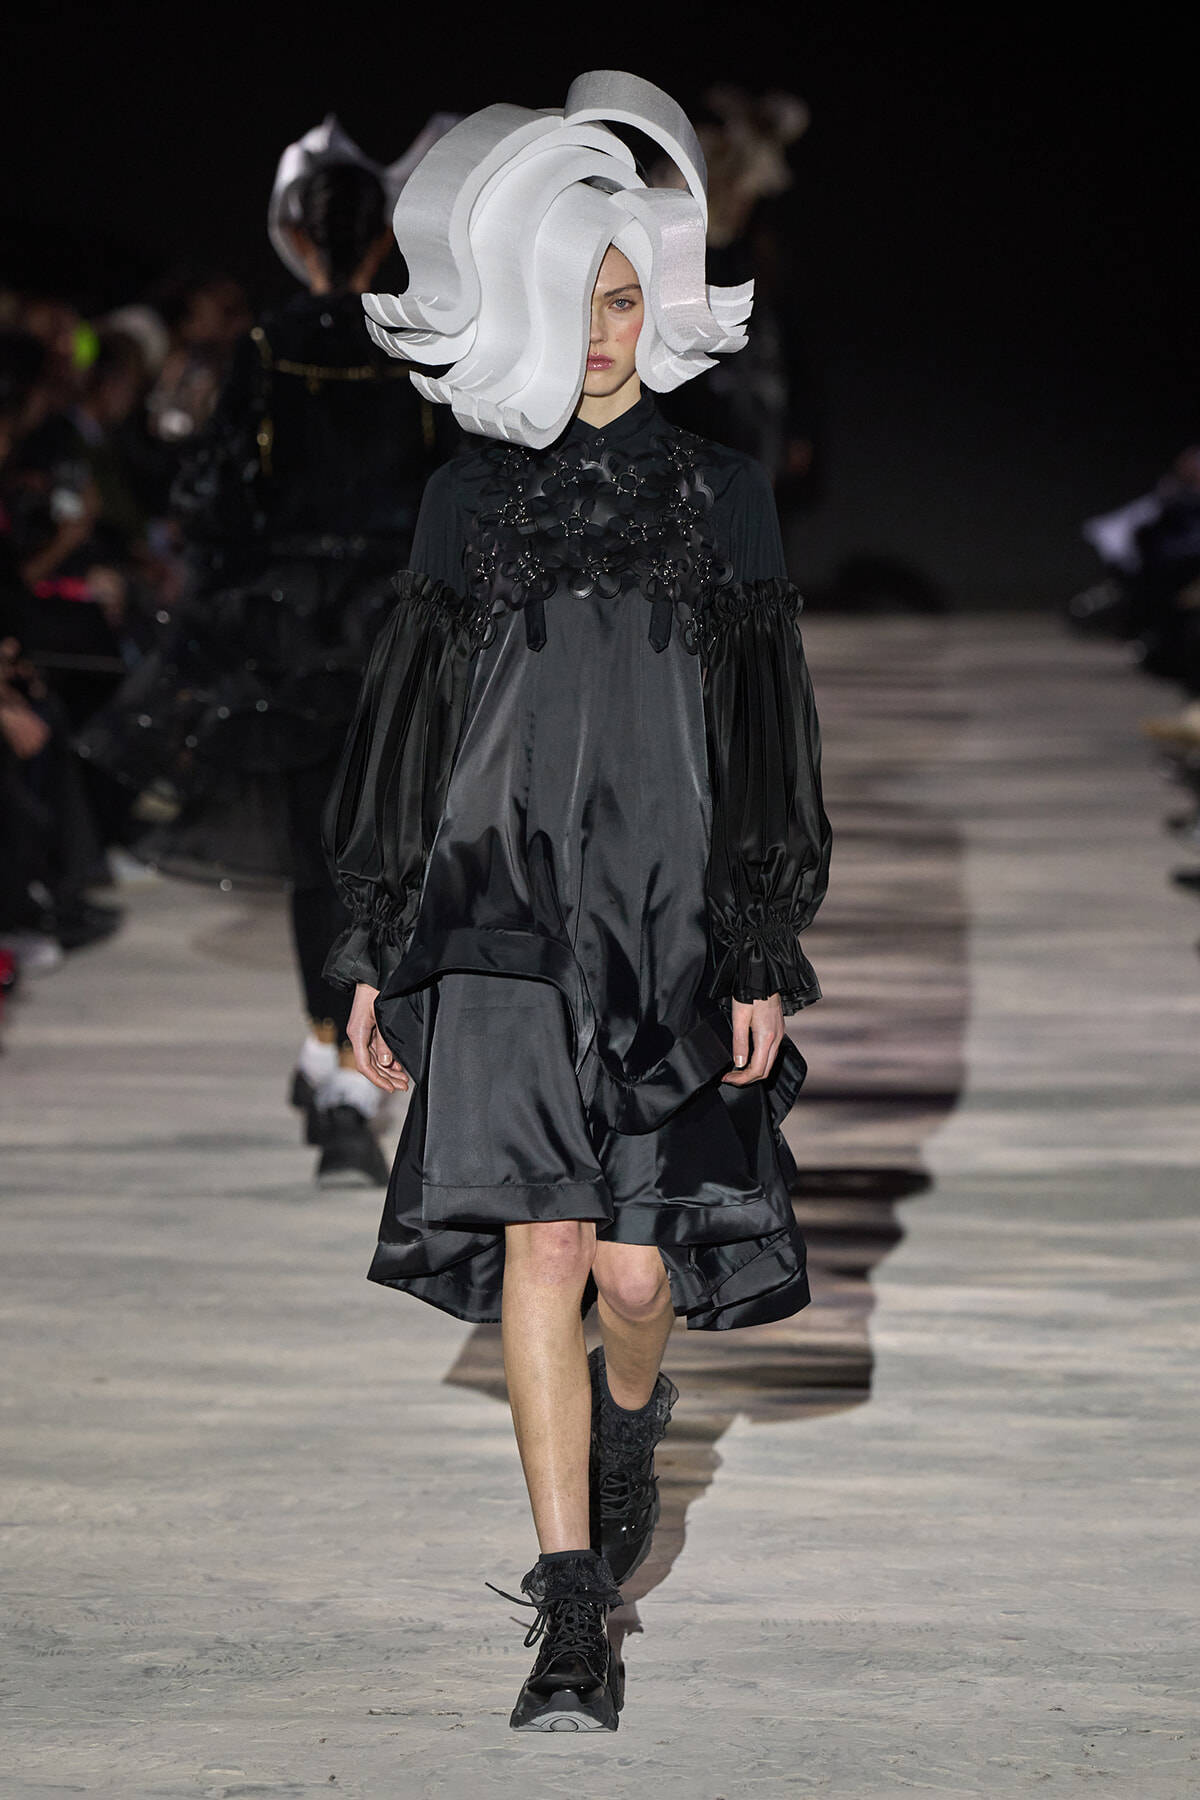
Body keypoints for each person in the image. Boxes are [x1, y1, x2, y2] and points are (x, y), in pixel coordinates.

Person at [323, 71, 831, 1731]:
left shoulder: (723, 496)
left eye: (625, 296)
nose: (600, 328)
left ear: (660, 298)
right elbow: (406, 732)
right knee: (545, 1241)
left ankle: (631, 1418)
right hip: (498, 921)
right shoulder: (467, 499)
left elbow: (765, 735)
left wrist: (761, 939)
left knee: (631, 1273)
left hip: (668, 927)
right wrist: (372, 939)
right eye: (573, 297)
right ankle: (566, 1605)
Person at [79, 114, 458, 1184]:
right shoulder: (415, 344)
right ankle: (344, 1062)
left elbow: (214, 501)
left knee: (314, 856)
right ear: (383, 235)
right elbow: (456, 489)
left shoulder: (265, 348)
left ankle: (330, 1058)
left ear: (294, 234)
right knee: (390, 843)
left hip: (287, 632)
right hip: (397, 626)